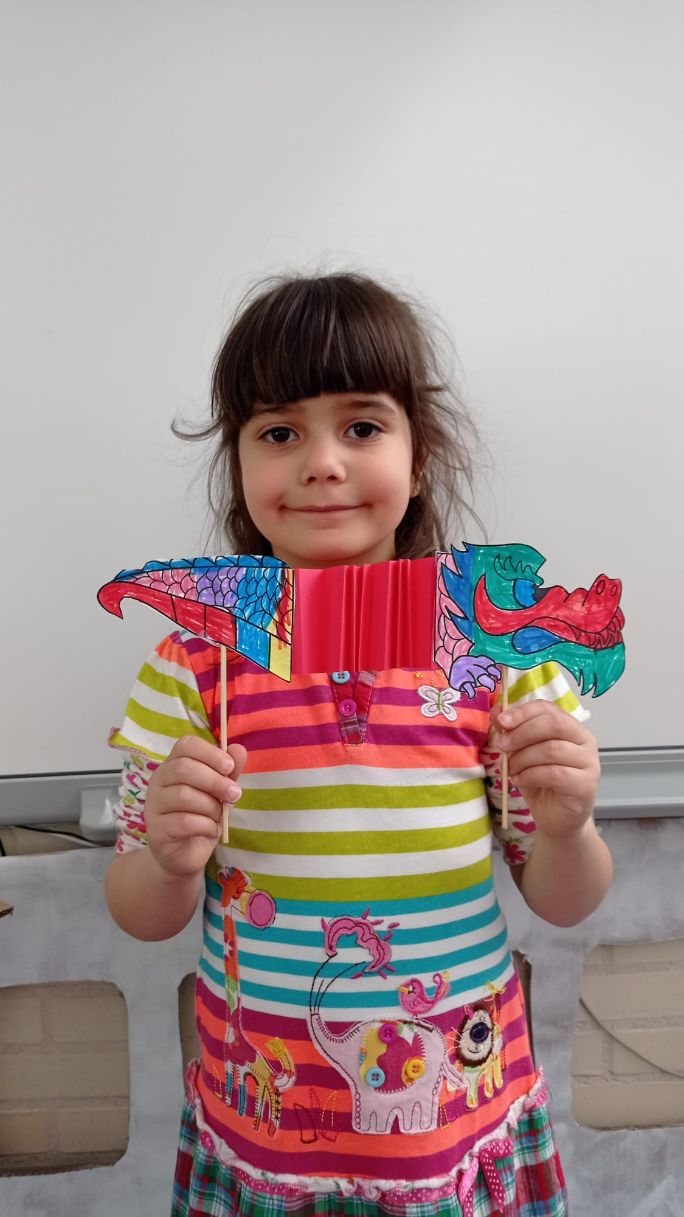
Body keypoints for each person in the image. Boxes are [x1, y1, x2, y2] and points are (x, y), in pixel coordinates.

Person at [105, 273, 611, 1217]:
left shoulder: (498, 656)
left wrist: (569, 824)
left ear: (419, 462)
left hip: (453, 1126)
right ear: (239, 465)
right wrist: (168, 856)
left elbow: (565, 896)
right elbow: (139, 911)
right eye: (279, 432)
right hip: (264, 1137)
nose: (323, 463)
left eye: (363, 426)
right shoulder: (194, 668)